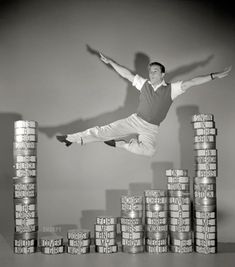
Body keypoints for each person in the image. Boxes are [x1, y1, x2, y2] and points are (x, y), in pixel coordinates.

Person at [56, 52, 231, 157]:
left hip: (151, 128)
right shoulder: (144, 83)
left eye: (155, 71)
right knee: (103, 131)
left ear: (163, 74)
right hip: (135, 120)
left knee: (149, 152)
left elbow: (192, 81)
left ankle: (123, 144)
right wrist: (111, 63)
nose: (152, 73)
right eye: (150, 71)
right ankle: (70, 139)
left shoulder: (173, 89)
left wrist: (214, 75)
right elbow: (126, 74)